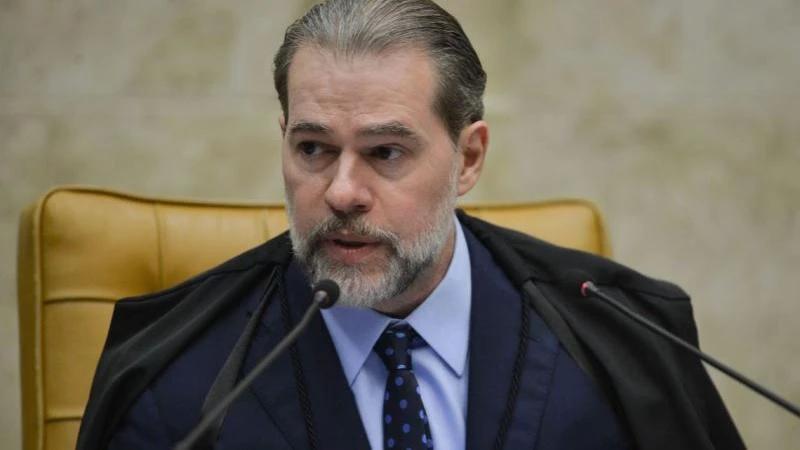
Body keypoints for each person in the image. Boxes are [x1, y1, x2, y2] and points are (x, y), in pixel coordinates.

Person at [77, 1, 745, 449]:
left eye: (385, 152)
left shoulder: (623, 343)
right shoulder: (177, 378)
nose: (342, 191)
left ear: (468, 158)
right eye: (313, 148)